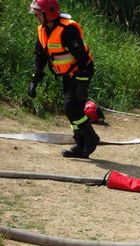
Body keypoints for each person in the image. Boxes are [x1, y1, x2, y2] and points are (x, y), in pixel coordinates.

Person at [28, 0, 100, 158]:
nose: (35, 17)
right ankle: (80, 144)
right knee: (72, 110)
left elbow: (83, 59)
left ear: (49, 13)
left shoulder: (68, 30)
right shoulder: (43, 30)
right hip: (68, 74)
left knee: (70, 108)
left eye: (38, 14)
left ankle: (91, 137)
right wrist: (34, 81)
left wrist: (82, 84)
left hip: (81, 71)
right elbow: (39, 58)